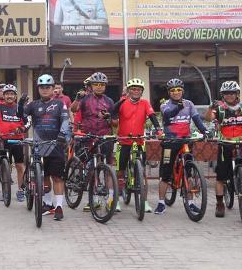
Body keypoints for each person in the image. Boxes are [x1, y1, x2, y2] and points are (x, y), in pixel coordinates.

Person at [203, 81, 242, 218]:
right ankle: (220, 204)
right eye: (226, 93)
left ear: (237, 94)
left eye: (232, 93)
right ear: (222, 95)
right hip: (225, 144)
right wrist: (210, 108)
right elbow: (208, 118)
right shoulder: (219, 108)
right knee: (221, 176)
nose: (230, 95)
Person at [155, 78, 209, 215]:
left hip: (185, 140)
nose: (176, 92)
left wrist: (205, 131)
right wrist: (178, 107)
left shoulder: (189, 104)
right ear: (169, 92)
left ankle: (190, 203)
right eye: (173, 90)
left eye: (178, 90)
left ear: (183, 91)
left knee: (189, 172)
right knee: (165, 175)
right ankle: (161, 203)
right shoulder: (165, 104)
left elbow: (197, 119)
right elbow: (167, 116)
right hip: (170, 142)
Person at [23, 74, 71, 221]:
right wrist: (20, 105)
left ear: (53, 89)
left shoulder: (59, 104)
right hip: (39, 145)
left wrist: (63, 134)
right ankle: (48, 204)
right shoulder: (33, 105)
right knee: (43, 176)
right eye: (42, 87)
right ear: (38, 89)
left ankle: (58, 207)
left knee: (57, 177)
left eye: (48, 87)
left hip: (56, 145)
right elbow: (23, 117)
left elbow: (65, 119)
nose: (45, 90)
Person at [112, 78, 162, 214]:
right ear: (128, 91)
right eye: (133, 89)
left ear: (142, 92)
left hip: (139, 141)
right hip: (123, 141)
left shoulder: (145, 103)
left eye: (139, 89)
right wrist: (115, 114)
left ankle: (144, 202)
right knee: (120, 171)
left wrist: (159, 130)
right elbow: (113, 115)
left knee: (142, 173)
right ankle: (115, 200)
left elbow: (152, 116)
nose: (136, 91)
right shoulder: (122, 103)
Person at [70, 71, 116, 210]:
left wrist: (109, 117)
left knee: (108, 167)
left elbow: (115, 122)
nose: (99, 87)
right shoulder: (84, 99)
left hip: (104, 136)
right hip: (88, 136)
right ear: (91, 85)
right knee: (89, 166)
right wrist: (77, 99)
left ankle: (110, 199)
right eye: (96, 84)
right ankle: (91, 198)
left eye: (102, 84)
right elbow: (73, 109)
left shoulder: (109, 101)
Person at [0, 84, 29, 202]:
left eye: (12, 94)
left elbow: (27, 122)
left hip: (18, 140)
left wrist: (22, 129)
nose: (9, 96)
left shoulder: (20, 108)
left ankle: (21, 190)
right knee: (4, 165)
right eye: (7, 94)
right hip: (3, 140)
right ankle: (5, 190)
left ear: (15, 96)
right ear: (3, 96)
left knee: (20, 166)